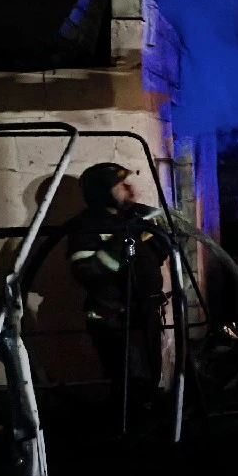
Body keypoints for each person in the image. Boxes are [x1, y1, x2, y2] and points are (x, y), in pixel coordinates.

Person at [65, 162, 171, 430]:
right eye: (120, 185)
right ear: (101, 192)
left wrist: (158, 234)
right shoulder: (85, 227)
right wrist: (125, 240)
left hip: (146, 312)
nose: (130, 189)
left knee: (150, 375)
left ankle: (151, 432)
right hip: (113, 317)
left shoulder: (132, 218)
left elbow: (158, 255)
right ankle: (128, 438)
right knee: (130, 379)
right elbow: (88, 271)